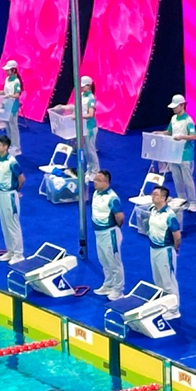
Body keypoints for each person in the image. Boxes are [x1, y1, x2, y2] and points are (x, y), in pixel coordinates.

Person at [146, 186, 182, 320]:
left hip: (165, 250)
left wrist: (175, 249)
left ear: (163, 198)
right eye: (152, 194)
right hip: (153, 248)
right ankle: (162, 304)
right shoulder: (152, 210)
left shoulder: (170, 216)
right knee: (158, 279)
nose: (152, 196)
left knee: (168, 281)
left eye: (155, 195)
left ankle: (173, 309)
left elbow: (177, 236)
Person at [91, 170, 126, 299]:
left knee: (114, 262)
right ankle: (108, 284)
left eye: (98, 180)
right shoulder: (96, 193)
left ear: (106, 182)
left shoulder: (112, 198)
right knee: (104, 260)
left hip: (110, 233)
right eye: (95, 180)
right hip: (98, 233)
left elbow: (120, 217)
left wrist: (114, 228)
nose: (95, 182)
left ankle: (118, 290)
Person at [0, 136, 24, 262]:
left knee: (12, 224)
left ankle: (18, 254)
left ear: (5, 147)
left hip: (10, 195)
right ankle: (10, 250)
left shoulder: (12, 162)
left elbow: (21, 178)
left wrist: (16, 190)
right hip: (0, 193)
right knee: (4, 224)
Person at [165, 94, 196, 211]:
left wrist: (182, 137)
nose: (174, 109)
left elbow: (194, 136)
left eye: (175, 106)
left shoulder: (188, 120)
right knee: (177, 180)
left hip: (186, 154)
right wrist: (158, 133)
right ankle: (182, 200)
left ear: (182, 105)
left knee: (187, 180)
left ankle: (193, 203)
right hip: (174, 153)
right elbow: (169, 132)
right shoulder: (173, 119)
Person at [2, 60, 23, 155]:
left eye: (8, 70)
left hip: (13, 107)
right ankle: (9, 144)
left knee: (13, 126)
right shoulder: (7, 79)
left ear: (13, 70)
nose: (6, 72)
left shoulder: (16, 81)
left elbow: (17, 95)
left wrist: (10, 96)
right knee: (7, 125)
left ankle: (16, 146)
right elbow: (4, 92)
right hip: (6, 105)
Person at [79, 76, 99, 176]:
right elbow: (77, 107)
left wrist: (78, 116)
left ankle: (95, 171)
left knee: (91, 150)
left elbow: (91, 114)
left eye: (84, 86)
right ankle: (89, 169)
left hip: (90, 128)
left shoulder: (91, 98)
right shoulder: (82, 95)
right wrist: (63, 107)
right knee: (86, 151)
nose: (82, 88)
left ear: (89, 86)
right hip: (83, 127)